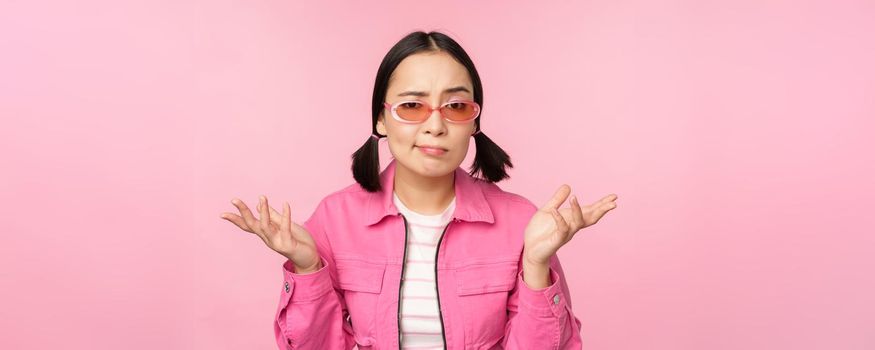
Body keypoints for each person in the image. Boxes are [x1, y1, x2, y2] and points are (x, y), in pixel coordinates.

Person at [220, 30, 618, 350]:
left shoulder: (521, 223)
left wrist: (535, 267)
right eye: (412, 106)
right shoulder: (333, 219)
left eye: (456, 106)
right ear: (380, 118)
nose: (435, 125)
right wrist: (308, 270)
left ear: (473, 122)